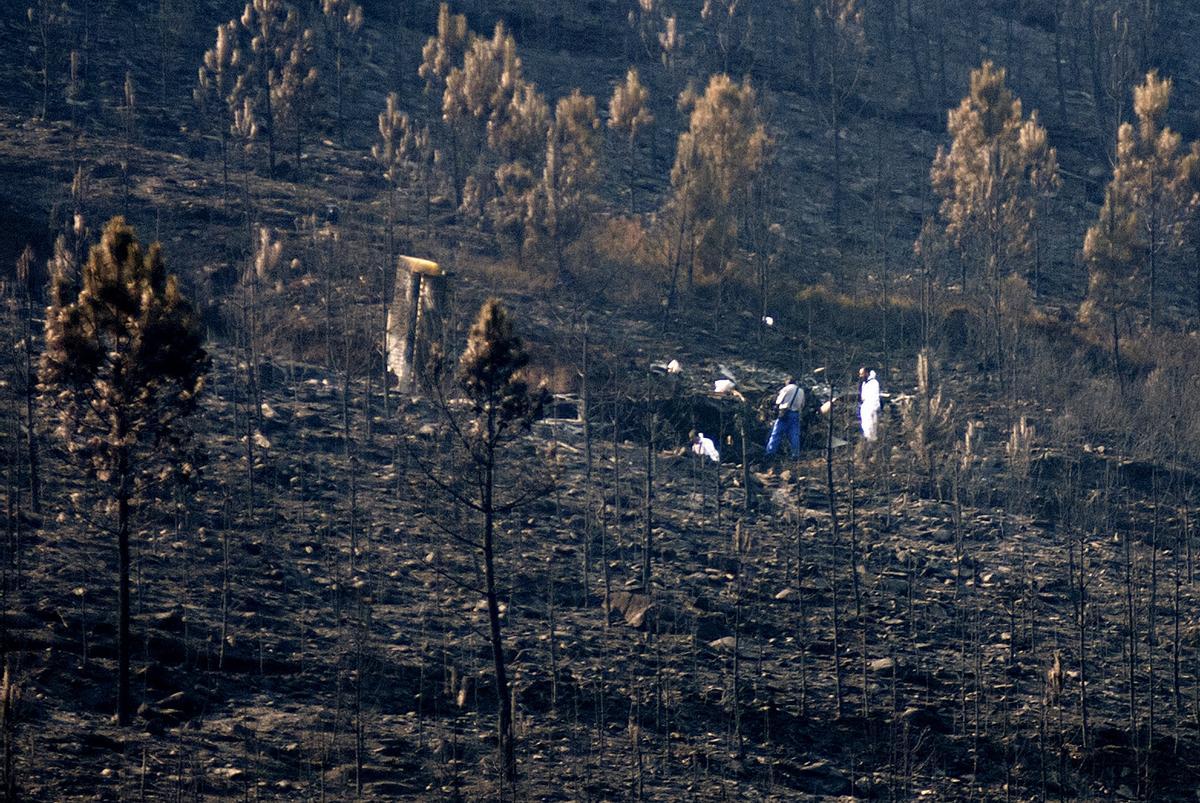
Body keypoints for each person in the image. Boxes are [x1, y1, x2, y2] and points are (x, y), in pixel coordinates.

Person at [765, 377, 805, 458]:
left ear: (788, 382)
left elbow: (778, 401)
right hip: (795, 414)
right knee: (795, 434)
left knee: (776, 433)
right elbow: (802, 405)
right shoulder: (801, 391)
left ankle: (770, 452)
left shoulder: (786, 389)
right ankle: (795, 454)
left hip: (784, 413)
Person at [859, 367, 881, 441]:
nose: (860, 376)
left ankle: (871, 442)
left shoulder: (874, 383)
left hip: (871, 408)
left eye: (862, 374)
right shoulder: (864, 383)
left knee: (871, 426)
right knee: (865, 426)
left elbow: (874, 397)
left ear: (867, 373)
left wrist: (873, 409)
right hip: (865, 407)